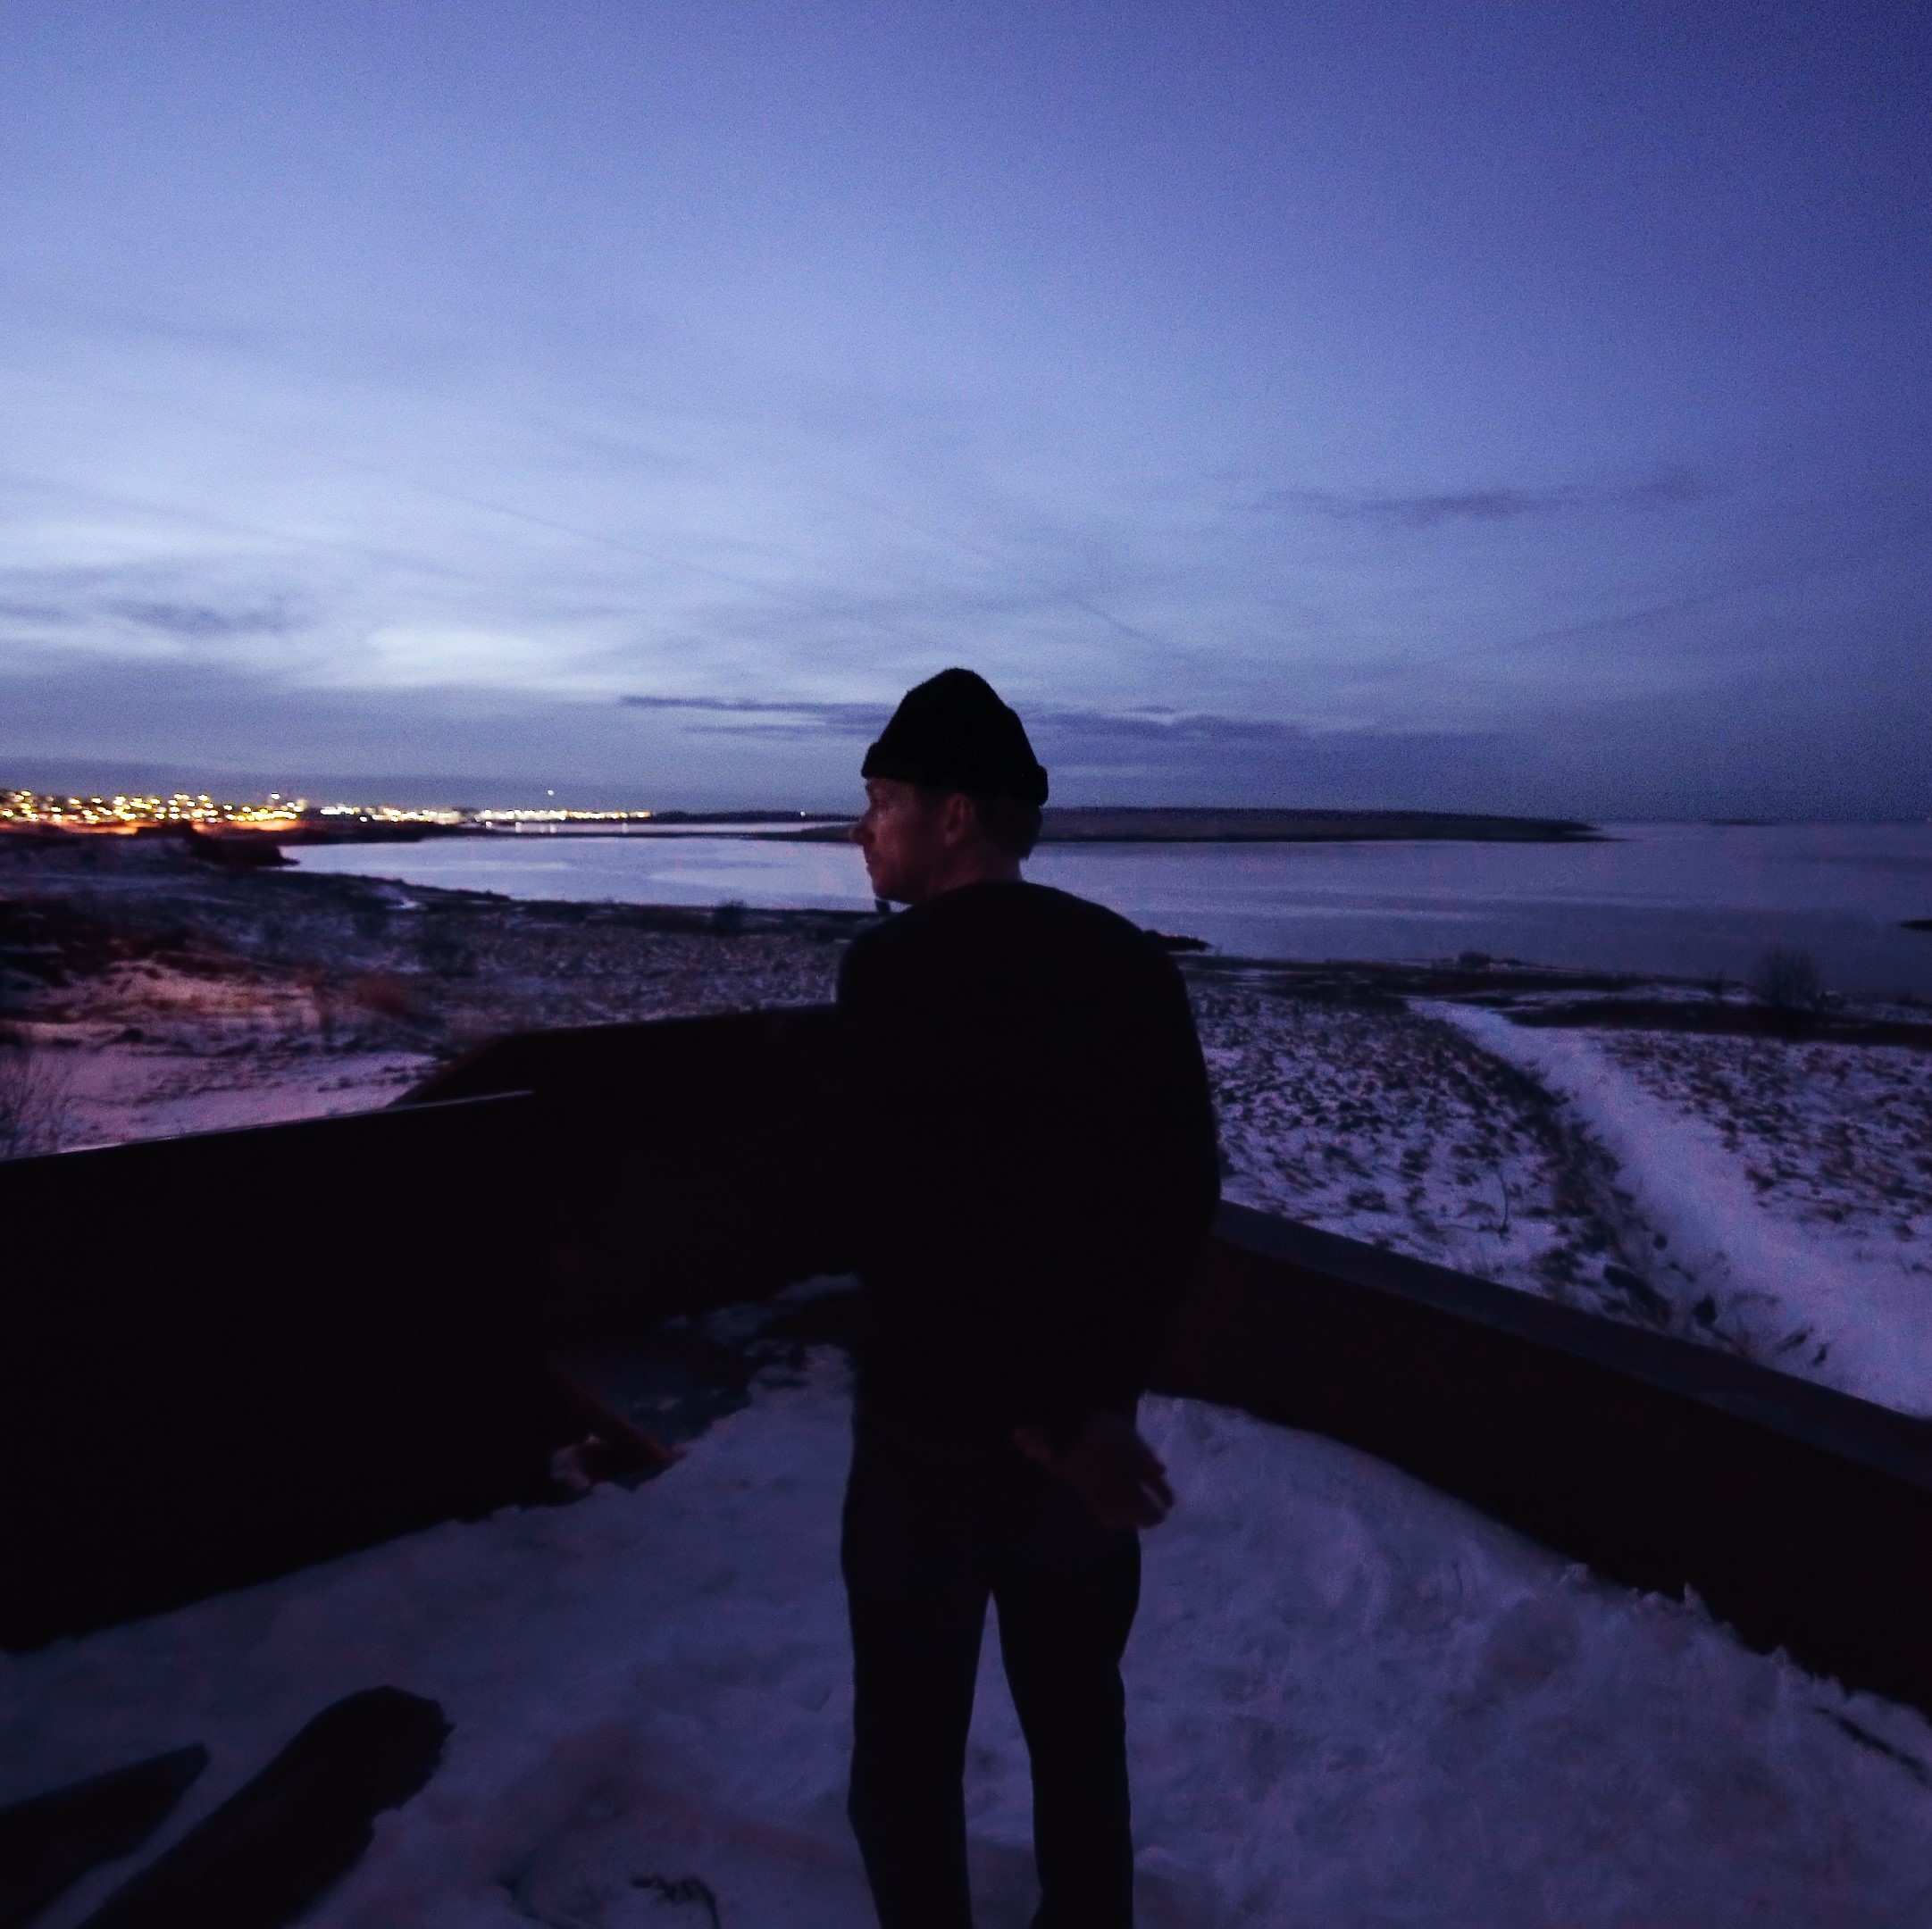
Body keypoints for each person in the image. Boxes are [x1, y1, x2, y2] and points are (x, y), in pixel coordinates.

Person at [837, 668, 1221, 1928]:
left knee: (906, 1760)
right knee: (1077, 1739)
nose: (864, 828)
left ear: (954, 817)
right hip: (1085, 1452)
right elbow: (1173, 1201)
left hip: (926, 1449)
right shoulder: (1127, 967)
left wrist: (1030, 1408)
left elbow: (917, 1227)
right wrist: (1090, 1408)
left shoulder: (890, 980)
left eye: (883, 799)